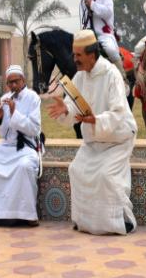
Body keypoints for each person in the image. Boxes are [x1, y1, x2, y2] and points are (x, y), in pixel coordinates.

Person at [48, 29, 137, 235]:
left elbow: (119, 112)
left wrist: (96, 120)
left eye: (78, 55)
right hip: (94, 142)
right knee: (76, 169)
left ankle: (122, 220)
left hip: (117, 139)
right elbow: (73, 106)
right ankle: (84, 221)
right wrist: (65, 110)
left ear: (92, 54)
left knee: (106, 176)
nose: (74, 59)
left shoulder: (111, 74)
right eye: (74, 54)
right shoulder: (79, 77)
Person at [0, 65, 42, 227]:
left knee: (24, 166)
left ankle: (28, 214)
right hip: (7, 146)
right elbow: (4, 134)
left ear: (23, 80)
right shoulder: (5, 97)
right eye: (9, 83)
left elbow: (34, 129)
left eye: (15, 82)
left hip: (26, 146)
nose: (12, 86)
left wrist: (14, 113)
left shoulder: (33, 98)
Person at [79, 0, 128, 83]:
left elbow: (108, 12)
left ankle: (123, 78)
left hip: (104, 33)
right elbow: (82, 17)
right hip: (89, 34)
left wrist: (92, 5)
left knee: (110, 50)